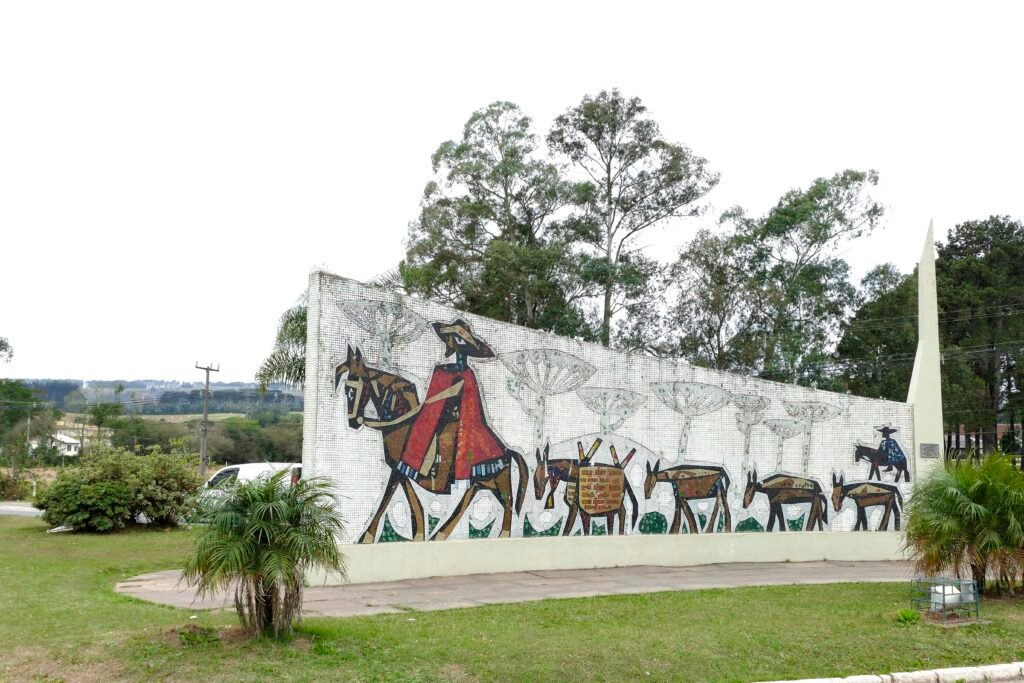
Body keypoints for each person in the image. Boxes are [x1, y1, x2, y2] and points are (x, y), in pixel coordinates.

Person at [397, 319, 509, 490]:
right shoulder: (440, 371)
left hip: (459, 420)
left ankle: (441, 481)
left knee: (445, 438)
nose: (448, 342)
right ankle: (420, 470)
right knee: (420, 432)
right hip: (437, 418)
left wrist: (433, 400)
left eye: (451, 338)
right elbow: (433, 399)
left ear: (458, 343)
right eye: (448, 338)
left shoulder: (467, 373)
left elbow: (460, 394)